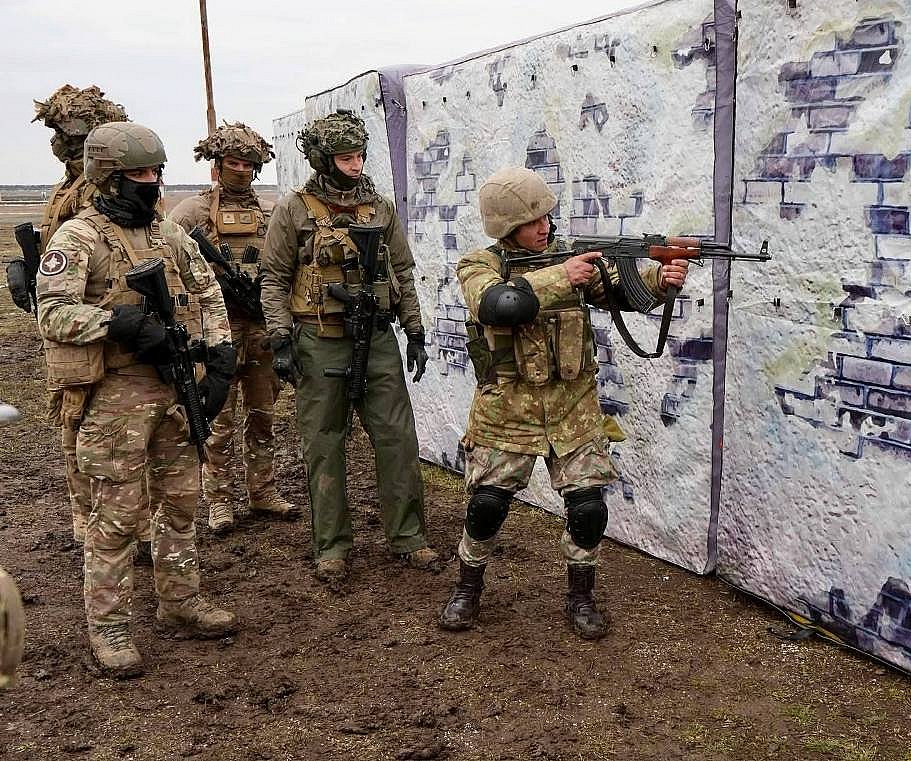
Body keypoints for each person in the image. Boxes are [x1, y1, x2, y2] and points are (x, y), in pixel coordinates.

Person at [437, 166, 687, 640]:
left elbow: (620, 290)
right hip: (506, 410)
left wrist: (661, 278)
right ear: (507, 226)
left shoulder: (572, 258)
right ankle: (467, 588)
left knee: (588, 509)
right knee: (487, 507)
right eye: (533, 222)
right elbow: (497, 305)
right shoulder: (479, 265)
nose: (545, 227)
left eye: (547, 218)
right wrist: (559, 277)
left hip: (574, 409)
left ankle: (581, 597)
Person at [36, 121, 240, 678]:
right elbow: (52, 313)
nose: (151, 183)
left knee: (181, 502)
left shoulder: (168, 234)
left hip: (175, 387)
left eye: (156, 172)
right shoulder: (79, 238)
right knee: (117, 517)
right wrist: (117, 323)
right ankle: (109, 628)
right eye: (139, 174)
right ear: (108, 178)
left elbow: (207, 291)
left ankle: (181, 602)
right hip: (115, 394)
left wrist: (220, 357)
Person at [258, 109, 438, 583]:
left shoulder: (380, 209)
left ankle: (409, 536)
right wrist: (281, 339)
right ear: (323, 159)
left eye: (359, 156)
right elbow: (273, 279)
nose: (355, 166)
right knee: (324, 443)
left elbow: (403, 273)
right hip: (319, 339)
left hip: (377, 338)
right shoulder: (294, 210)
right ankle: (332, 545)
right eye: (345, 158)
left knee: (397, 438)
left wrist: (415, 331)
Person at [10, 86, 153, 557]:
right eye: (61, 136)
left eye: (77, 138)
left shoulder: (111, 191)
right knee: (74, 422)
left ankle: (130, 527)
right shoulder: (64, 191)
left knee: (119, 432)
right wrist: (29, 274)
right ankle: (88, 523)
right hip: (70, 324)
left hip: (109, 325)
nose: (66, 145)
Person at [169, 122, 297, 534]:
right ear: (217, 164)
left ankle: (263, 491)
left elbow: (286, 266)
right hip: (215, 331)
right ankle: (219, 501)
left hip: (260, 328)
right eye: (233, 163)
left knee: (262, 417)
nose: (241, 170)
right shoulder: (191, 212)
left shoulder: (273, 214)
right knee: (218, 420)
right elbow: (169, 266)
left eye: (248, 164)